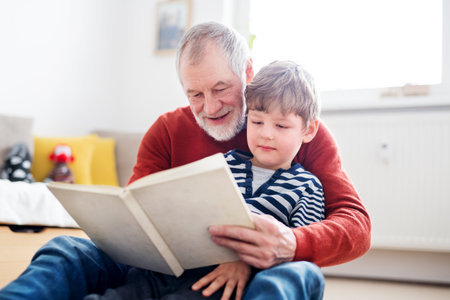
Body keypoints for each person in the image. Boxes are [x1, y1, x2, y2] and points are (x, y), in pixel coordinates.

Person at [0, 22, 371, 300]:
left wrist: (290, 243)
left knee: (298, 276)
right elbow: (135, 214)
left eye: (221, 89)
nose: (209, 108)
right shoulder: (167, 131)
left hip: (257, 270)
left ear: (246, 72)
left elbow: (356, 225)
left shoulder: (293, 128)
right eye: (195, 93)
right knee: (66, 250)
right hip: (170, 268)